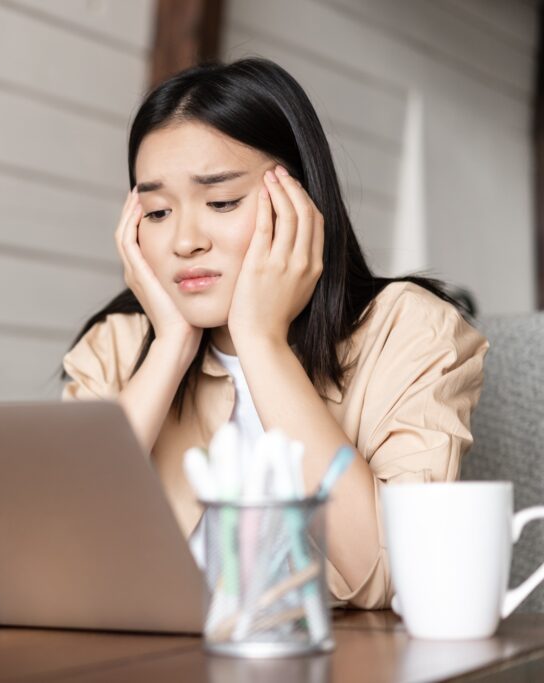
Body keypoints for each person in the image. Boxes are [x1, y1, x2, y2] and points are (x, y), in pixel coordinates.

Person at [59, 58, 490, 609]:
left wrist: (261, 341)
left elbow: (391, 575)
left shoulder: (411, 330)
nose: (184, 241)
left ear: (300, 202)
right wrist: (169, 346)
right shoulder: (115, 346)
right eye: (158, 210)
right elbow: (52, 556)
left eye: (221, 202)